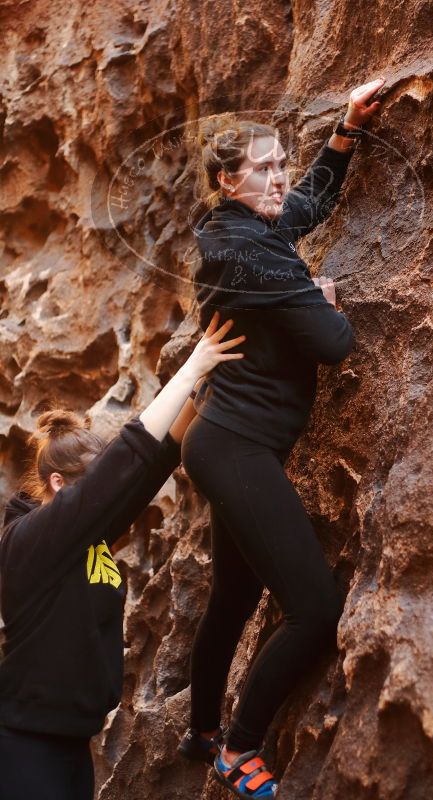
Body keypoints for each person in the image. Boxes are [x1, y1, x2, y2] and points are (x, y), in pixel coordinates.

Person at [178, 79, 385, 798]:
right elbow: (333, 341)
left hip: (226, 442)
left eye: (281, 162)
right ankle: (239, 749)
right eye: (264, 168)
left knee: (234, 596)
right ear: (226, 180)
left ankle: (201, 729)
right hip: (235, 448)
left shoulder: (241, 230)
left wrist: (348, 128)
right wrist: (321, 296)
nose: (280, 177)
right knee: (315, 610)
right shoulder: (248, 258)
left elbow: (309, 204)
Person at [0, 311, 246, 800]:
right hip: (23, 744)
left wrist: (210, 387)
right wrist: (193, 365)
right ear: (58, 484)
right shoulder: (27, 542)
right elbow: (125, 462)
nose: (104, 490)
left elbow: (147, 465)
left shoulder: (87, 535)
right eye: (94, 481)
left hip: (72, 741)